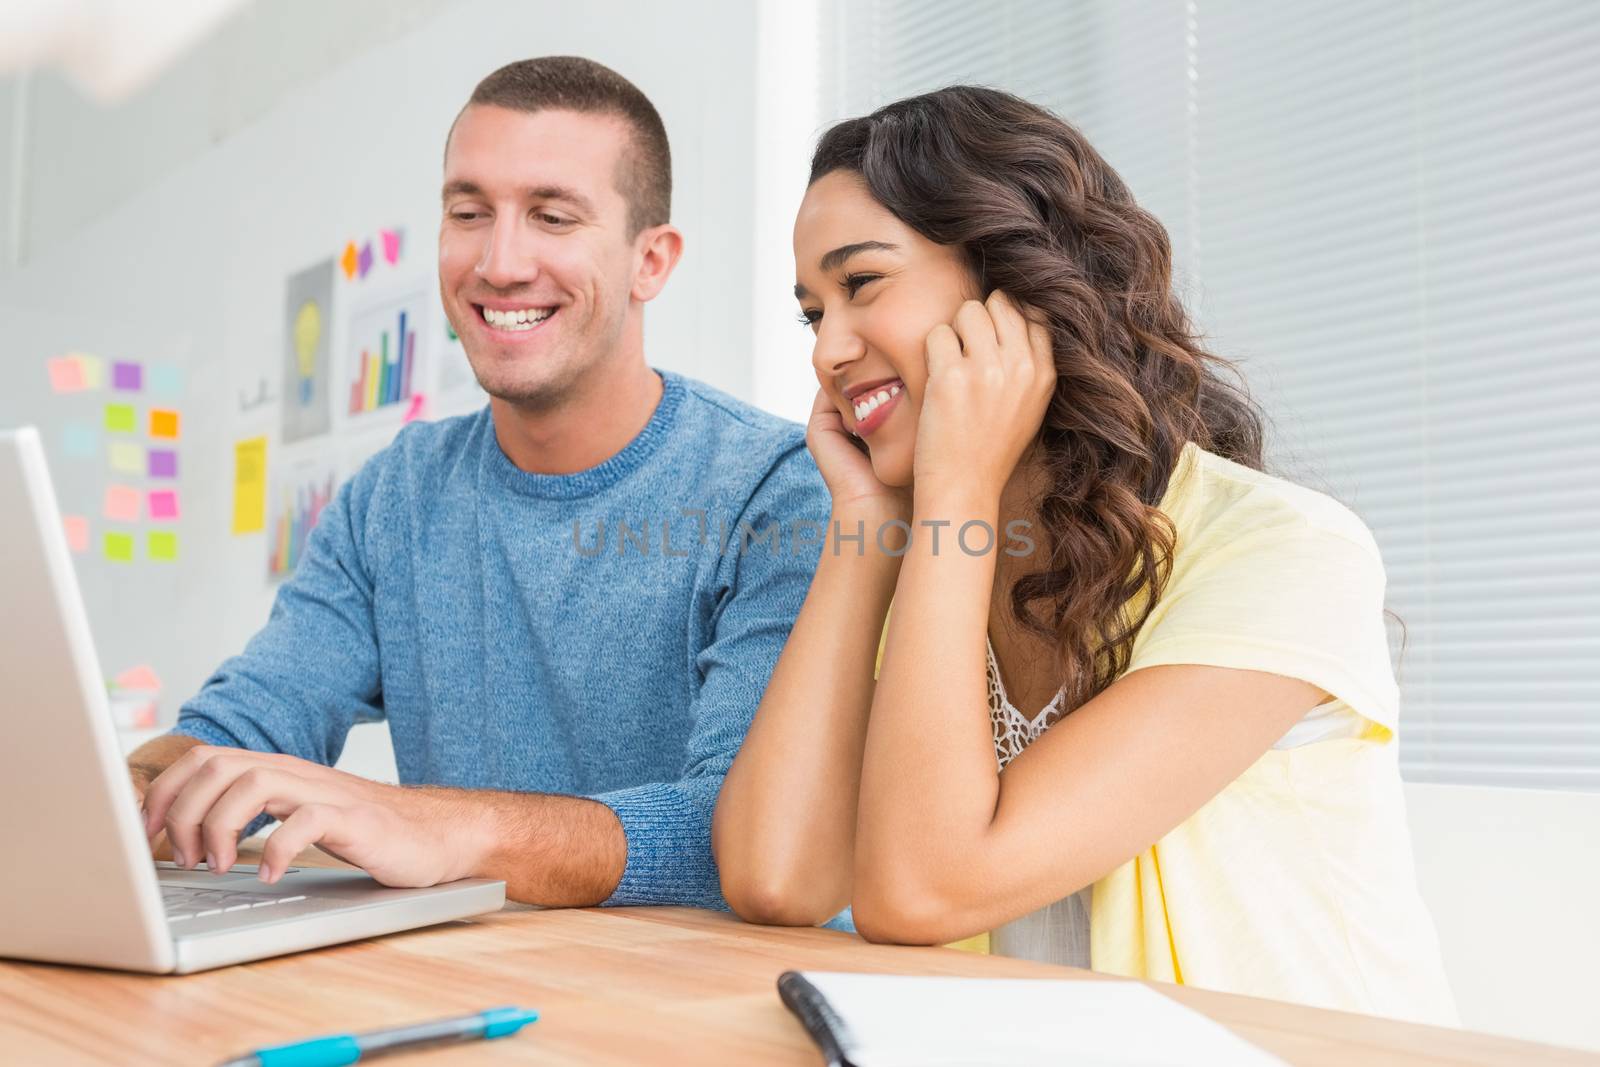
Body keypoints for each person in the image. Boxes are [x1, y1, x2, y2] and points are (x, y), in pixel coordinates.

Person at [712, 85, 1458, 1024]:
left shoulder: (1285, 553)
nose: (828, 353)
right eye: (811, 314)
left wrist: (951, 496)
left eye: (860, 284)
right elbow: (776, 875)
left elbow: (923, 890)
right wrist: (866, 526)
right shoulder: (945, 567)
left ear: (1015, 285)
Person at [128, 56, 828, 909]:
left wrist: (441, 825)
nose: (499, 262)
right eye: (469, 213)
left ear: (652, 261)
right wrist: (128, 790)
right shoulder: (395, 496)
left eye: (552, 216)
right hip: (479, 987)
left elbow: (740, 831)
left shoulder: (777, 490)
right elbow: (245, 724)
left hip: (698, 1007)